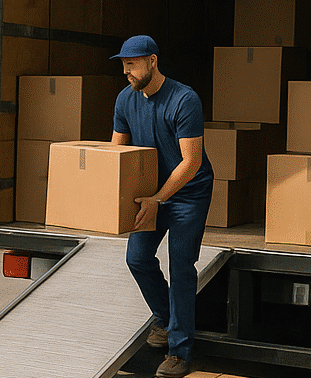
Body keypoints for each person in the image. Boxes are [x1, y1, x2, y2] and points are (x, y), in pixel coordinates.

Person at [109, 35, 214, 378]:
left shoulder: (184, 99)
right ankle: (168, 319)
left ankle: (179, 352)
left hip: (187, 193)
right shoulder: (125, 100)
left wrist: (159, 199)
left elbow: (191, 162)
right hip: (150, 193)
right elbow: (117, 155)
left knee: (181, 266)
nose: (127, 71)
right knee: (136, 259)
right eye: (124, 64)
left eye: (133, 64)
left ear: (152, 61)